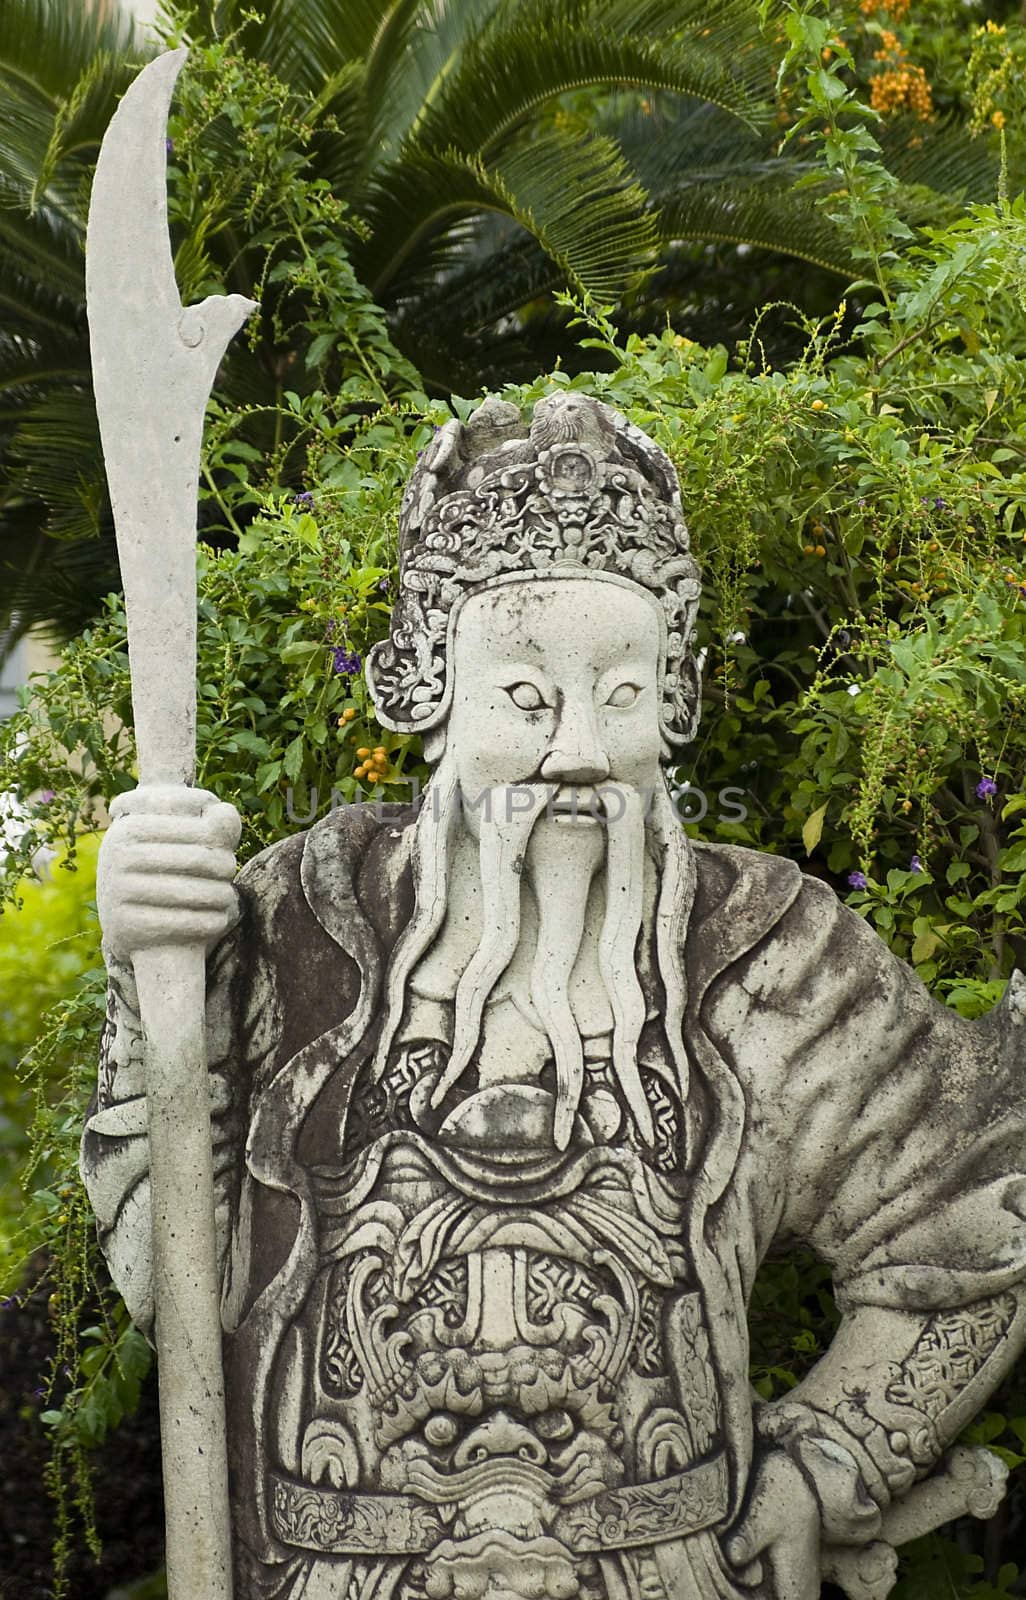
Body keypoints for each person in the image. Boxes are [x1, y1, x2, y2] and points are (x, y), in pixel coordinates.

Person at [83, 393, 1026, 1600]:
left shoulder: (763, 958)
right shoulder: (291, 931)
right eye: (527, 699)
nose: (576, 748)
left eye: (622, 697)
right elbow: (182, 1299)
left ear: (671, 707)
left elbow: (971, 1212)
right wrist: (146, 978)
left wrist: (832, 1457)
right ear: (431, 689)